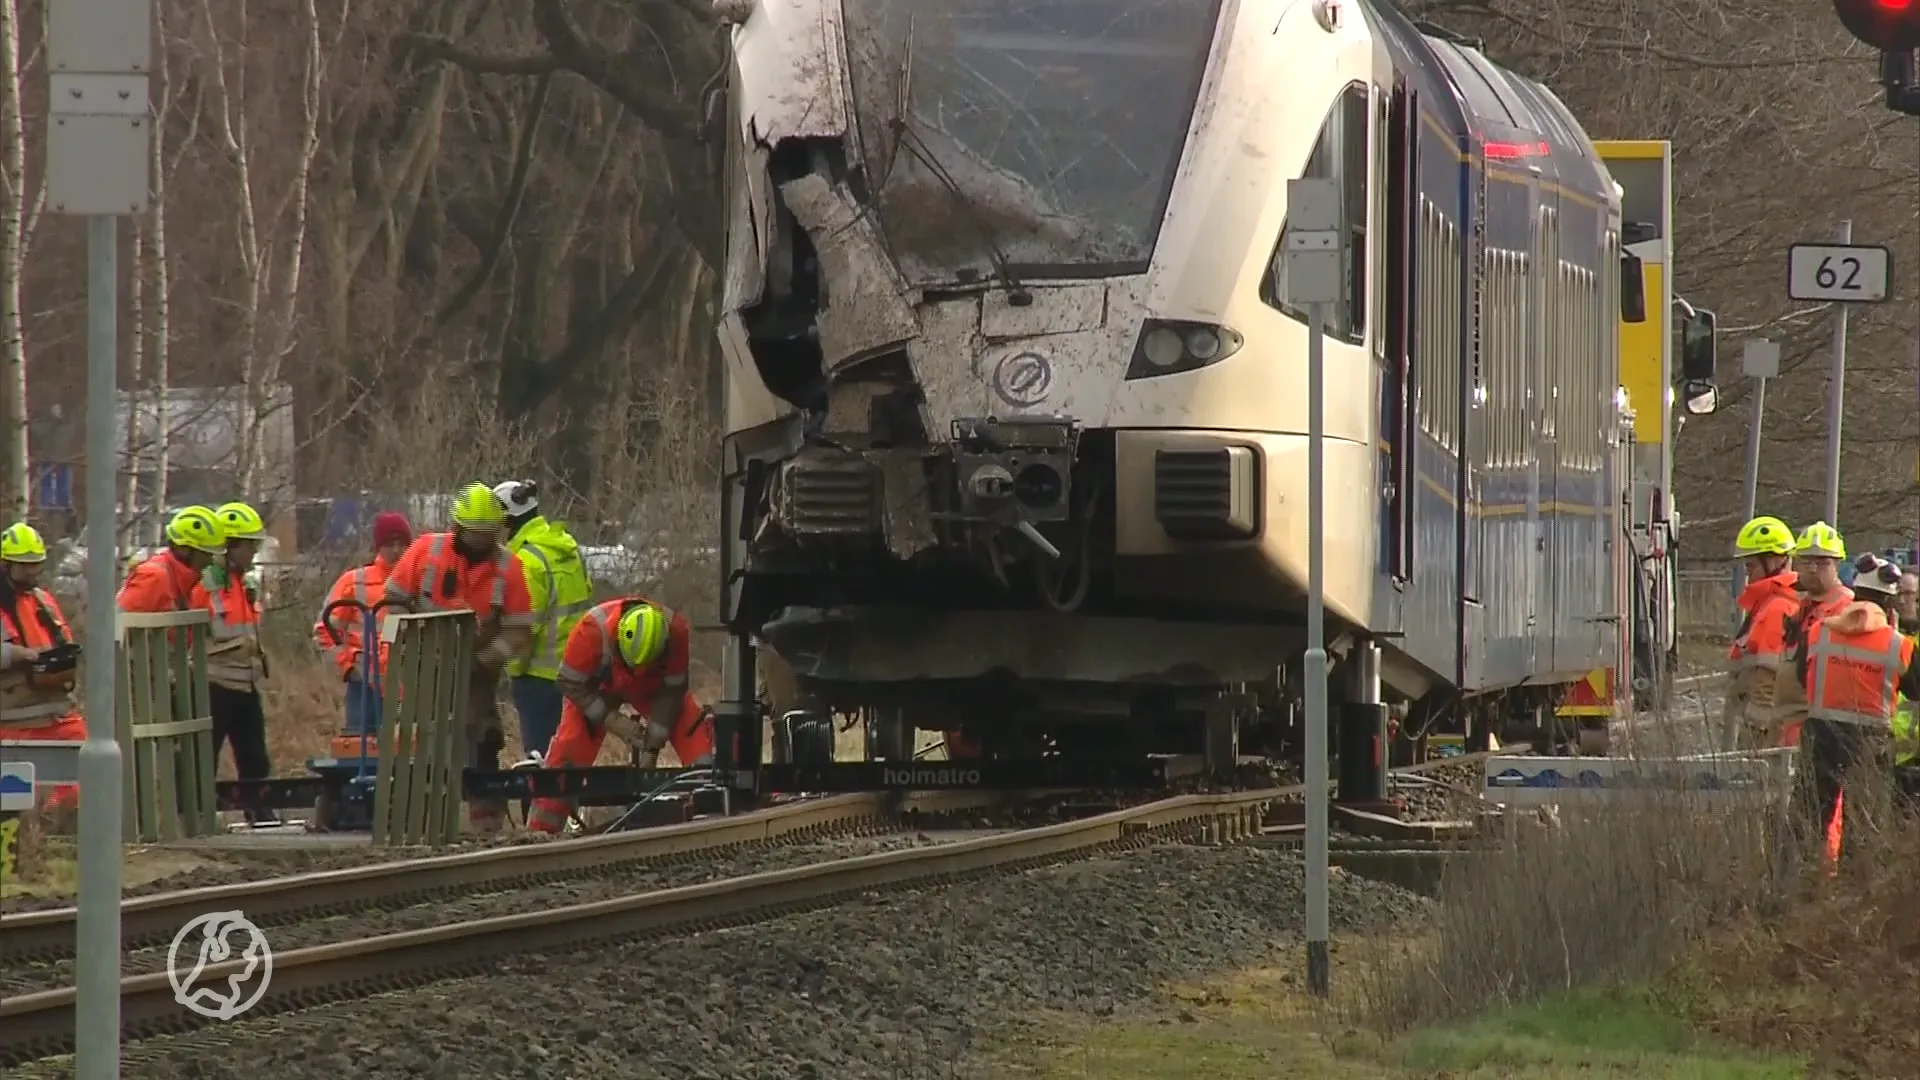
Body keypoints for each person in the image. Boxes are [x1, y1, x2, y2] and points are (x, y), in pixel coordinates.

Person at [382, 483, 534, 833]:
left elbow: (518, 631)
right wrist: (408, 641)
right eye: (476, 534)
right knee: (419, 740)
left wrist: (484, 661)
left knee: (482, 739)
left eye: (488, 534)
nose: (482, 542)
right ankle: (412, 818)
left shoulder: (509, 568)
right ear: (459, 528)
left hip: (476, 671)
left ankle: (485, 822)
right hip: (423, 666)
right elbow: (392, 598)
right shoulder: (425, 550)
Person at [526, 597, 715, 835]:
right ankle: (539, 834)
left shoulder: (677, 631)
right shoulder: (590, 632)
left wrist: (652, 745)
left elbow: (672, 692)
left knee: (696, 740)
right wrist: (612, 721)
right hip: (597, 692)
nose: (636, 672)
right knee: (568, 754)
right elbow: (570, 683)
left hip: (655, 690)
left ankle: (712, 813)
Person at [1793, 553, 1920, 864]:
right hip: (1870, 743)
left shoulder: (1818, 631)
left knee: (1806, 821)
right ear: (1889, 605)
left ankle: (1795, 889)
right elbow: (1916, 690)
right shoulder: (1899, 645)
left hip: (1819, 735)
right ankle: (1853, 893)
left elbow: (1800, 674)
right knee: (1864, 828)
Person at [492, 480, 593, 761]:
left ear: (507, 521)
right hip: (579, 673)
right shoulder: (568, 547)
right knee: (570, 764)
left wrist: (512, 670)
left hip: (538, 681)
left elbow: (523, 629)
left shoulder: (525, 561)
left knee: (539, 768)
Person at [199, 502, 275, 825]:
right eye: (249, 546)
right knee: (205, 754)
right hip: (214, 682)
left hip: (246, 682)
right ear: (229, 546)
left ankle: (258, 811)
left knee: (255, 756)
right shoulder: (205, 582)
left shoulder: (246, 584)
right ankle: (197, 814)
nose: (253, 553)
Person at [0, 523, 83, 809]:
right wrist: (17, 654)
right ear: (6, 564)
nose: (32, 572)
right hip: (11, 718)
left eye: (36, 565)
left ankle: (62, 833)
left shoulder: (43, 599)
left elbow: (63, 638)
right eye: (25, 567)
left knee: (81, 779)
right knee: (16, 800)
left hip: (57, 710)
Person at [313, 512, 412, 736]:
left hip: (409, 687)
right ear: (378, 546)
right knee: (360, 754)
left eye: (401, 543)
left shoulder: (420, 582)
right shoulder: (354, 582)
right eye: (389, 543)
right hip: (364, 686)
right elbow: (323, 632)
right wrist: (348, 667)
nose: (396, 550)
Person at [1771, 521, 1855, 749]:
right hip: (1790, 722)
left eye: (1822, 562)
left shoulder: (1847, 610)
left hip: (1817, 727)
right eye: (1806, 560)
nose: (1812, 568)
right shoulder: (1803, 607)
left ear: (1838, 564)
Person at [1722, 515, 1799, 751]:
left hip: (1761, 733)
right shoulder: (1769, 604)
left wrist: (1759, 739)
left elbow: (1769, 679)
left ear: (1775, 560)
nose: (1748, 574)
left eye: (1751, 566)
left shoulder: (1777, 608)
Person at [118, 506, 224, 613]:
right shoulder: (154, 577)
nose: (210, 561)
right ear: (183, 549)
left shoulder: (183, 581)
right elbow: (120, 624)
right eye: (206, 554)